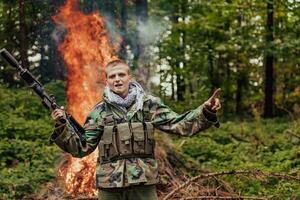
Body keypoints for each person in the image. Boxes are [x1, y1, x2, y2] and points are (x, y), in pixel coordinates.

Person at [50, 60, 221, 200]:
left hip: (143, 182)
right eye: (112, 76)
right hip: (110, 186)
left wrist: (205, 110)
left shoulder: (149, 105)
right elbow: (82, 148)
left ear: (129, 77)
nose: (117, 79)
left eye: (121, 75)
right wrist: (62, 125)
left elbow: (179, 124)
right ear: (107, 81)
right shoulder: (99, 112)